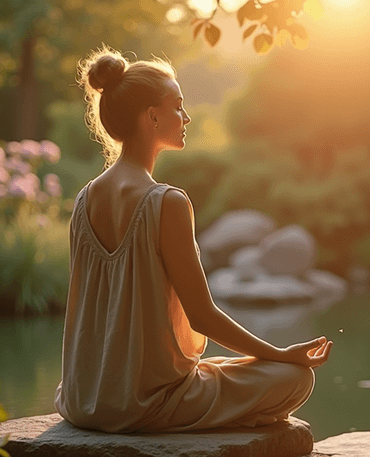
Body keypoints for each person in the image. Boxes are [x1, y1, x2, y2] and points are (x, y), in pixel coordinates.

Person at [53, 46, 333, 434]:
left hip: (83, 399)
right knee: (296, 378)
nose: (186, 116)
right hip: (145, 405)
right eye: (178, 106)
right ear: (152, 116)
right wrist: (281, 353)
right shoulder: (165, 202)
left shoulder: (84, 199)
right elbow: (202, 316)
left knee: (225, 369)